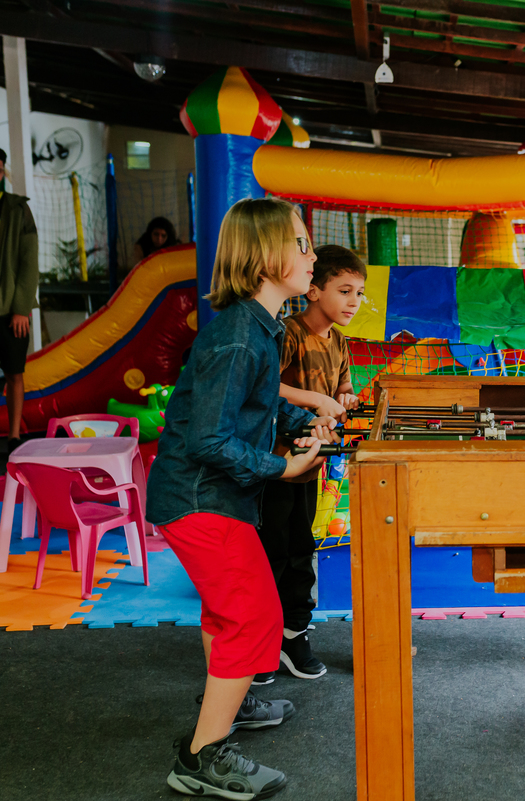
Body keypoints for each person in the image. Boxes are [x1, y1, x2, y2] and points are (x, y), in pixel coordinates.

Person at [146, 197, 339, 799]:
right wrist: (282, 466)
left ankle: (224, 707)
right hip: (202, 498)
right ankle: (202, 757)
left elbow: (257, 404)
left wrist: (294, 427)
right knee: (253, 617)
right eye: (302, 246)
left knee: (225, 613)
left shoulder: (260, 324)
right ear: (265, 257)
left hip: (214, 497)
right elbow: (208, 437)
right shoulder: (237, 335)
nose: (312, 257)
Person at [252, 245, 365, 685]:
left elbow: (343, 391)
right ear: (314, 291)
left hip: (312, 464)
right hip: (273, 464)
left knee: (303, 548)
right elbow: (263, 388)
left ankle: (293, 633)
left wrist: (344, 401)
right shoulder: (288, 333)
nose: (353, 301)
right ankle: (262, 640)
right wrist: (315, 400)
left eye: (358, 293)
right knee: (272, 551)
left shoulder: (340, 342)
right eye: (344, 290)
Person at [0, 144, 38, 450]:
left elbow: (29, 261)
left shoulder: (16, 208)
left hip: (10, 304)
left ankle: (14, 436)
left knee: (14, 371)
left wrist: (21, 308)